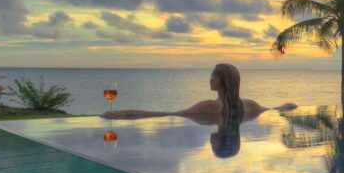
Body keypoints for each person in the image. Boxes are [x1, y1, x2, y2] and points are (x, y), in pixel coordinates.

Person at [102, 63, 296, 120]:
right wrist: (286, 105)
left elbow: (168, 114)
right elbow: (271, 109)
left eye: (212, 76)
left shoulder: (210, 106)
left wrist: (126, 113)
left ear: (219, 81)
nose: (209, 79)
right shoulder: (249, 105)